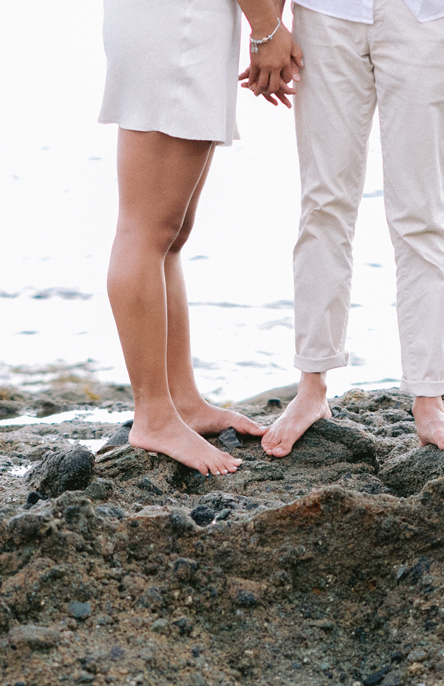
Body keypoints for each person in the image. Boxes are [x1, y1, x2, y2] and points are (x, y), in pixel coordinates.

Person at [245, 0, 444, 458]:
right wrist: (267, 27)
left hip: (431, 16)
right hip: (327, 15)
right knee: (323, 205)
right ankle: (311, 388)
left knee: (422, 216)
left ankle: (429, 398)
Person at [99, 0, 304, 475]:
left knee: (170, 232)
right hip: (177, 24)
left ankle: (182, 402)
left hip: (188, 24)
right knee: (146, 230)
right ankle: (153, 415)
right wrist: (267, 27)